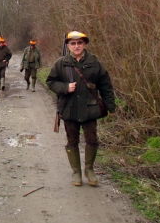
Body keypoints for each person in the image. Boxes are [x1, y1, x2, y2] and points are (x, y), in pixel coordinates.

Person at [46, 31, 115, 187]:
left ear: (84, 44)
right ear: (68, 46)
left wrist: (110, 107)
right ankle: (76, 171)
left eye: (79, 43)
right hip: (69, 109)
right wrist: (65, 87)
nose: (76, 46)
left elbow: (106, 86)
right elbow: (50, 82)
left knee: (92, 140)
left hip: (90, 108)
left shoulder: (94, 62)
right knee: (72, 141)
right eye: (73, 43)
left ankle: (89, 170)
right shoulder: (61, 63)